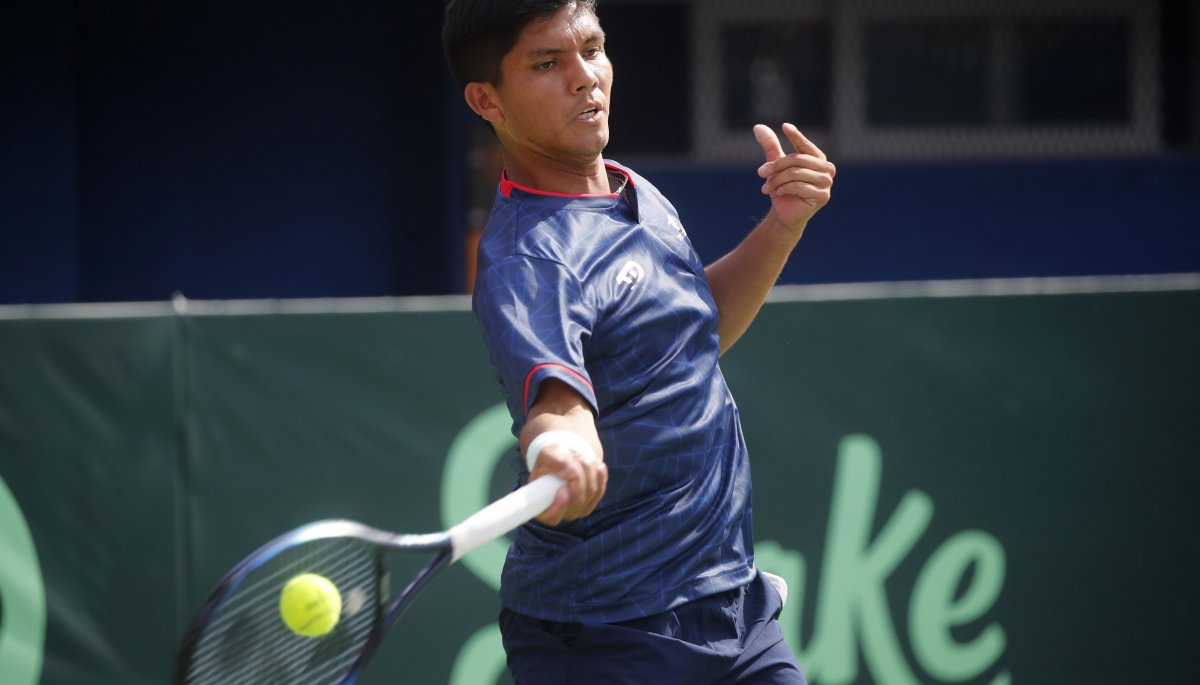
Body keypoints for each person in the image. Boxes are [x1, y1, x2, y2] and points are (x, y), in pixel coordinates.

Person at [442, 1, 834, 682]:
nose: (585, 77)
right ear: (486, 99)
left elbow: (692, 330)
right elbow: (556, 400)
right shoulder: (532, 260)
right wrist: (560, 443)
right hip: (604, 636)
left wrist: (781, 228)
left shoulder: (633, 191)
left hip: (732, 604)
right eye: (547, 63)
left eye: (592, 50)